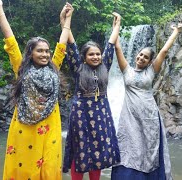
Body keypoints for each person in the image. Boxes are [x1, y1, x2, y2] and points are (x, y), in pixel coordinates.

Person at [0, 0, 73, 179]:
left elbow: (62, 46)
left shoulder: (54, 68)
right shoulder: (21, 68)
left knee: (50, 166)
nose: (45, 54)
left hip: (50, 124)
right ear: (31, 53)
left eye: (47, 51)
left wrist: (67, 21)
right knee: (26, 166)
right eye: (40, 51)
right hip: (25, 126)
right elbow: (10, 41)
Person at [111, 23, 182, 180]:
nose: (141, 58)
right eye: (140, 55)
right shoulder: (127, 70)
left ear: (150, 61)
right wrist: (116, 26)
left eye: (145, 57)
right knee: (128, 145)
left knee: (148, 147)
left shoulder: (152, 71)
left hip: (149, 116)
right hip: (129, 116)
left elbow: (164, 51)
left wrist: (176, 31)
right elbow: (117, 48)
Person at [60, 3, 121, 180]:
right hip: (81, 113)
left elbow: (111, 44)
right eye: (91, 54)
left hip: (102, 112)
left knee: (99, 149)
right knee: (79, 148)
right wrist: (65, 20)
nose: (95, 57)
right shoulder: (78, 67)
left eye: (97, 54)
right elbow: (70, 45)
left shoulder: (105, 65)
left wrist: (117, 25)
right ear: (84, 58)